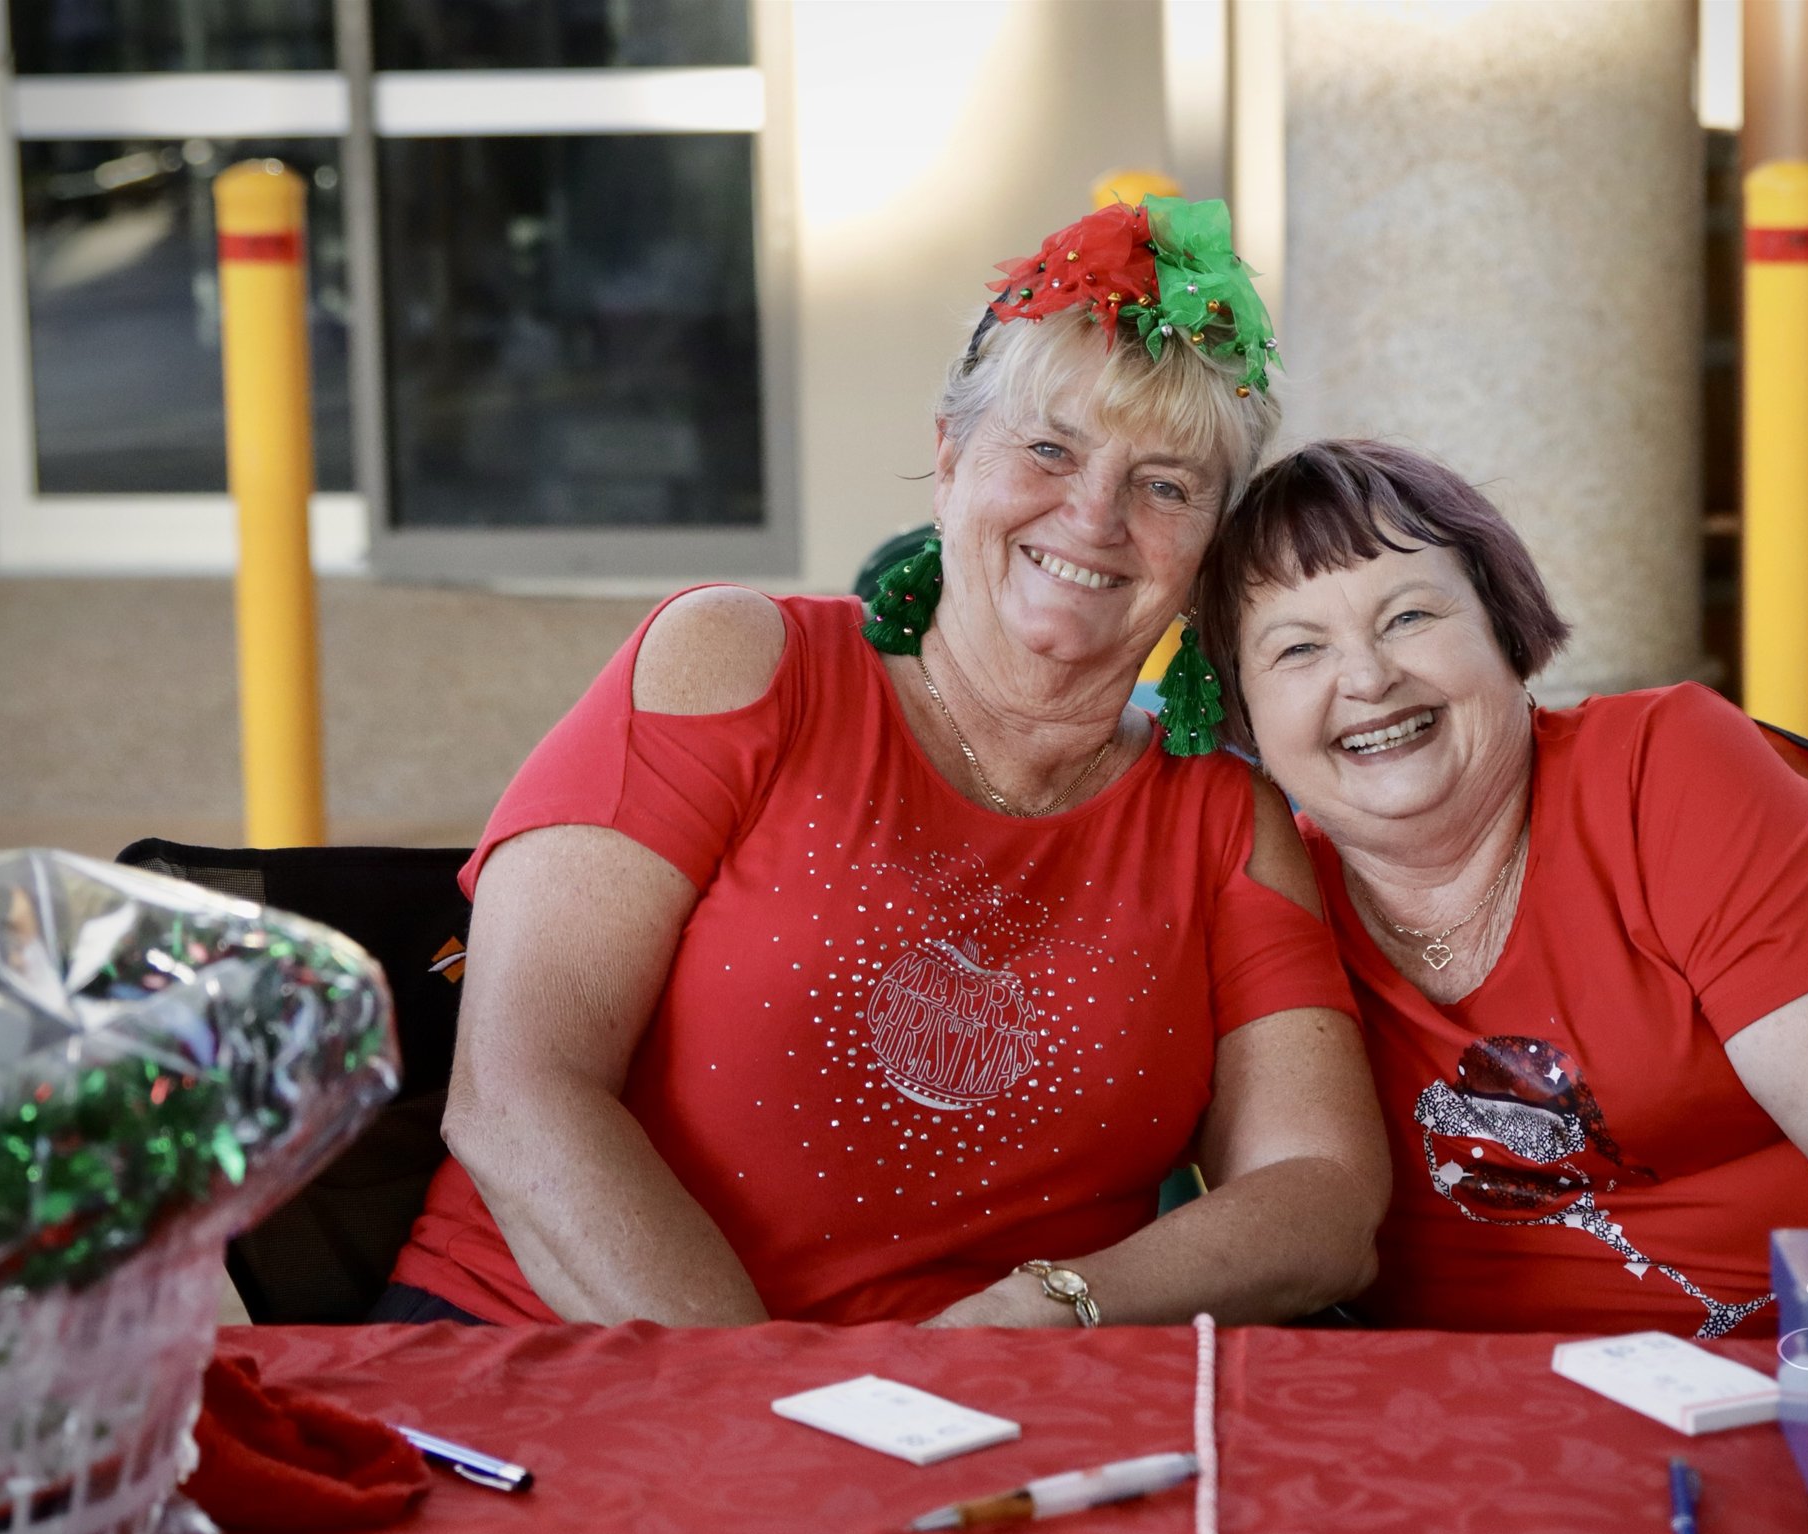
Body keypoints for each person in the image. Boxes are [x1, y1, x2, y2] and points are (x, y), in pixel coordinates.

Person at [383, 198, 1389, 1328]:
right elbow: (515, 1099)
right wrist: (783, 1410)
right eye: (1049, 449)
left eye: (1165, 484)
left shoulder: (1221, 821)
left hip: (965, 1420)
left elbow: (1322, 1197)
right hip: (563, 1359)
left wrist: (1055, 1305)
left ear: (1211, 544)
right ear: (951, 456)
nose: (1094, 516)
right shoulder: (742, 664)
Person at [1192, 439, 1808, 1339]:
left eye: (1410, 618)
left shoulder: (1664, 769)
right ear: (1247, 714)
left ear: (1506, 629)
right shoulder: (1267, 898)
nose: (1367, 678)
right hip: (1531, 1434)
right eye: (1299, 649)